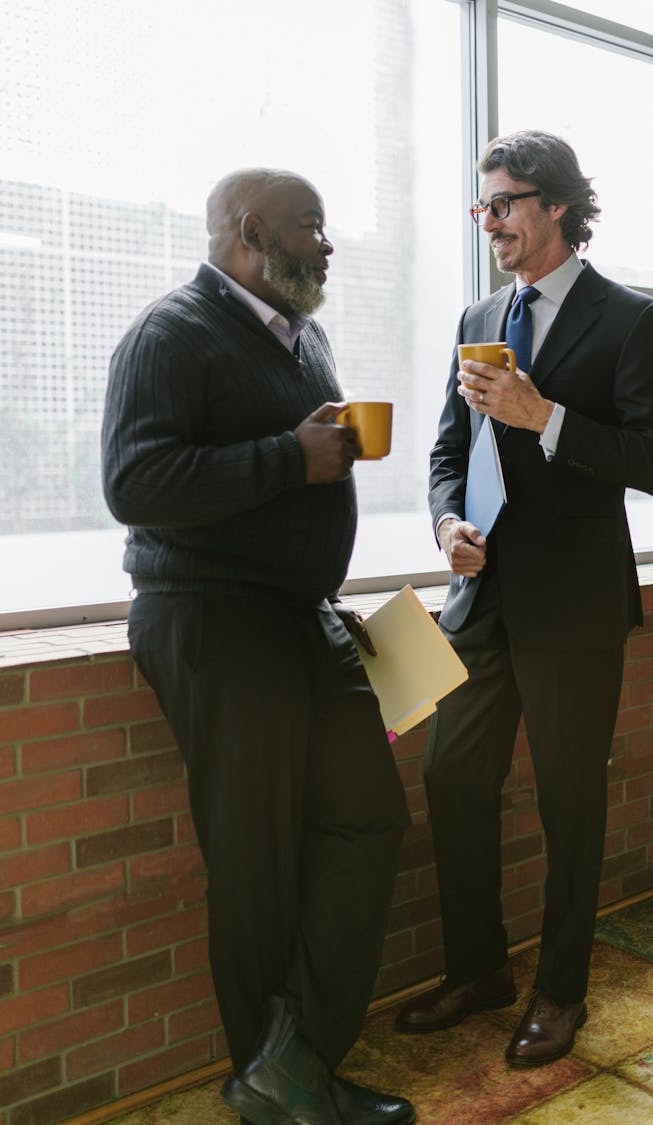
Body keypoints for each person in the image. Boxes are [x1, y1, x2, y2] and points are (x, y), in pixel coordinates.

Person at [102, 168, 415, 1125]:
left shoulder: (303, 335)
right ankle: (276, 1075)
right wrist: (289, 456)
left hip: (300, 618)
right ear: (249, 230)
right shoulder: (170, 332)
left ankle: (296, 1060)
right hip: (215, 620)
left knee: (372, 817)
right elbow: (134, 480)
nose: (328, 245)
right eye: (313, 227)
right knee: (256, 860)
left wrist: (321, 569)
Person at [395, 131, 653, 1067]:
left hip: (575, 606)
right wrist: (446, 527)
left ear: (556, 205)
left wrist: (545, 417)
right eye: (481, 207)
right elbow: (446, 451)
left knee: (569, 802)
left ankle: (561, 991)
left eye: (505, 203)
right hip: (477, 599)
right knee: (450, 776)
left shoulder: (631, 320)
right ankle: (479, 969)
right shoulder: (479, 310)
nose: (490, 222)